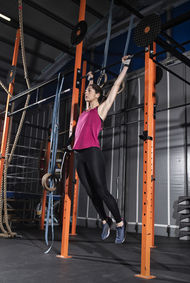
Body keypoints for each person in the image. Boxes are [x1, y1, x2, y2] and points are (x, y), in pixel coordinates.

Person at [72, 55, 131, 244]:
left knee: (102, 190)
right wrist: (90, 79)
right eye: (86, 91)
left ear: (97, 95)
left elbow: (114, 89)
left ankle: (120, 224)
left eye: (89, 91)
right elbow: (77, 133)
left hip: (92, 152)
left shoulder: (101, 110)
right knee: (90, 192)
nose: (85, 93)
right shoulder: (83, 113)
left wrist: (125, 67)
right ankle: (105, 220)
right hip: (78, 154)